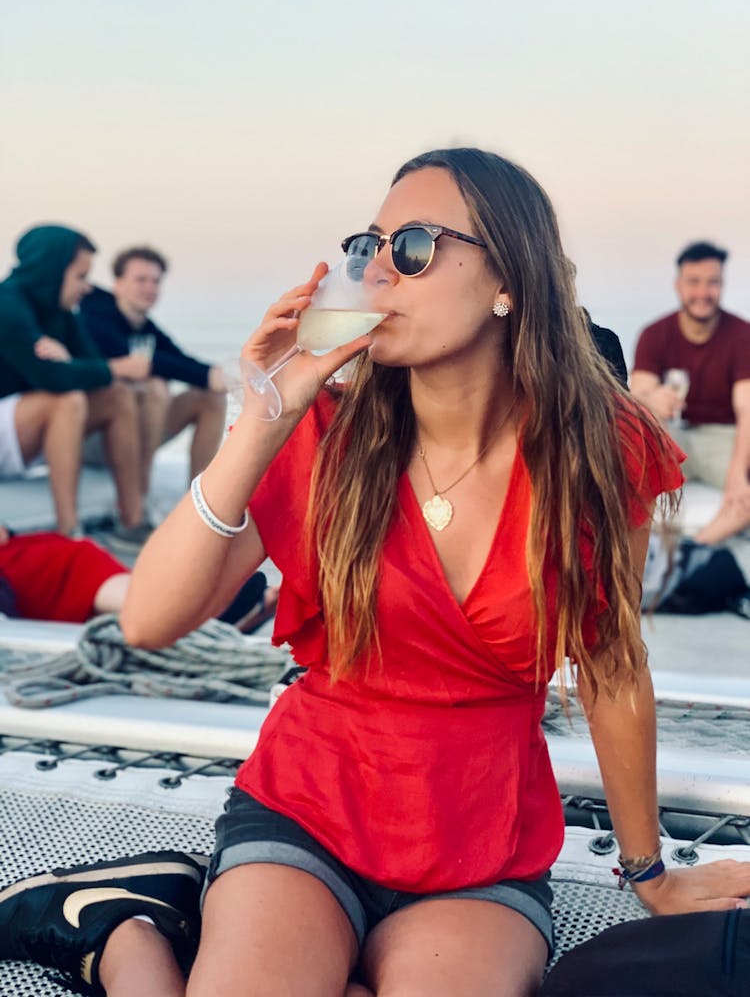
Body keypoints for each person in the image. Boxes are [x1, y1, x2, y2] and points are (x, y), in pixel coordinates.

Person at [2, 148, 750, 996]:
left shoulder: (598, 449)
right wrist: (262, 419)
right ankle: (125, 936)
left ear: (508, 277)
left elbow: (613, 665)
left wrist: (648, 870)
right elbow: (148, 622)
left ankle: (136, 936)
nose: (378, 271)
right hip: (308, 805)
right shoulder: (326, 431)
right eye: (371, 245)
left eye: (416, 248)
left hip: (481, 841)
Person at [0, 225, 154, 547]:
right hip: (11, 421)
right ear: (53, 271)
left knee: (118, 395)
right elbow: (53, 379)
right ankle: (69, 532)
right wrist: (96, 368)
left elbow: (95, 367)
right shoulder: (8, 304)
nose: (87, 287)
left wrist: (68, 360)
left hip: (23, 423)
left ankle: (132, 521)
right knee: (67, 400)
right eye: (80, 276)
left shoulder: (61, 314)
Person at [80, 246, 227, 496]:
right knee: (156, 387)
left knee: (211, 398)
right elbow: (143, 361)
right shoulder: (93, 316)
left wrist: (227, 375)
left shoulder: (147, 328)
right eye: (140, 279)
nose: (149, 287)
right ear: (118, 283)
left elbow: (180, 360)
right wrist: (208, 375)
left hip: (138, 435)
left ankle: (200, 502)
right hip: (92, 438)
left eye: (156, 281)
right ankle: (138, 503)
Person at [631, 241, 750, 544]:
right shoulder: (655, 334)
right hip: (673, 436)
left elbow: (746, 408)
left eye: (713, 282)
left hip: (722, 438)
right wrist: (653, 398)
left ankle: (696, 548)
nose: (703, 292)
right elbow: (637, 396)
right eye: (694, 282)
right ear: (679, 285)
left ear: (722, 285)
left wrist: (738, 477)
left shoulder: (741, 334)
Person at [0, 524, 278, 631]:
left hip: (17, 551)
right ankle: (199, 608)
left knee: (77, 559)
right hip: (13, 570)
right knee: (73, 564)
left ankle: (201, 609)